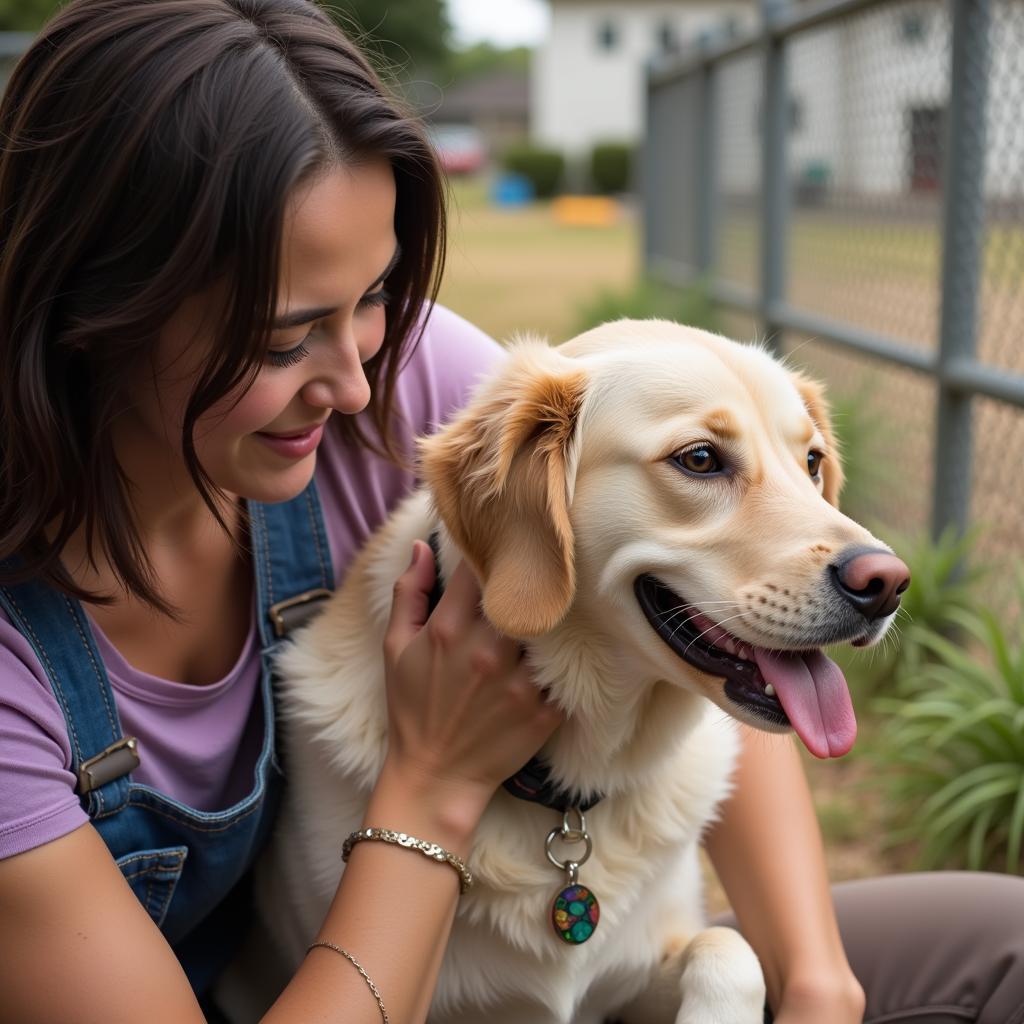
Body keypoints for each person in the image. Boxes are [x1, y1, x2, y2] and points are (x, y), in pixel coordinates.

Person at [0, 2, 1020, 1023]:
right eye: (282, 339)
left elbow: (695, 600)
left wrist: (811, 980)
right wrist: (433, 784)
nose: (358, 387)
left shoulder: (405, 383)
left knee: (1000, 941)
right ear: (91, 309)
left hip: (589, 942)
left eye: (374, 295)